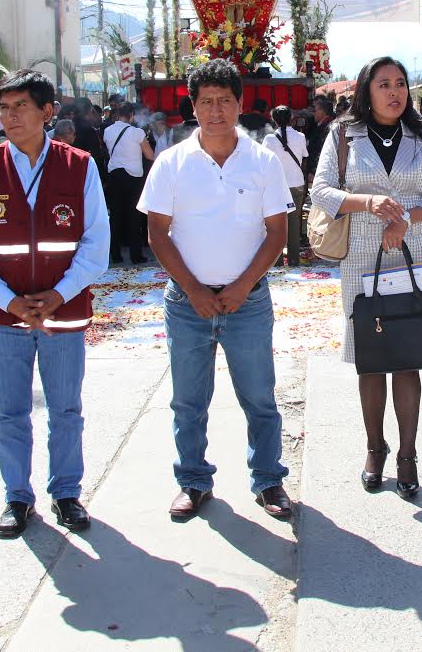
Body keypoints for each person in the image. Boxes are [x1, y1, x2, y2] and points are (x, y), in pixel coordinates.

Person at [0, 69, 108, 538]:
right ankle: (17, 496)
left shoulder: (78, 165)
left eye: (20, 106)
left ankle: (66, 492)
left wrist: (58, 294)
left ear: (47, 111)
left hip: (64, 310)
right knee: (9, 412)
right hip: (3, 317)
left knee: (65, 408)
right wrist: (9, 301)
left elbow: (96, 241)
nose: (9, 115)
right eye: (4, 107)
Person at [138, 59, 294, 521]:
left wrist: (245, 285)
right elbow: (157, 234)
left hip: (247, 302)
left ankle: (268, 480)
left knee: (260, 398)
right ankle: (192, 480)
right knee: (188, 400)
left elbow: (277, 233)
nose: (216, 110)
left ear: (240, 103)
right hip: (188, 305)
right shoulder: (171, 163)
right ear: (193, 106)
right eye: (206, 101)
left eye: (225, 100)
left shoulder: (264, 161)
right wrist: (193, 291)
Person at [311, 56, 422, 499]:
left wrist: (406, 218)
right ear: (366, 92)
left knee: (408, 351)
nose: (394, 92)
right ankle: (375, 448)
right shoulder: (342, 135)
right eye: (384, 84)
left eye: (401, 84)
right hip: (361, 252)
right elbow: (320, 190)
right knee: (370, 355)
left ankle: (408, 454)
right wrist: (366, 203)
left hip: (413, 249)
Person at [102, 103, 154, 265]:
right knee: (134, 217)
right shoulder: (137, 132)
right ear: (131, 115)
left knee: (115, 217)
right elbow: (150, 155)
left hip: (114, 176)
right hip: (133, 178)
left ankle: (115, 255)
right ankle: (136, 255)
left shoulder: (107, 131)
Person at [262, 105, 309, 267]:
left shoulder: (269, 139)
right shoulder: (300, 136)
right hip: (297, 184)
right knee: (294, 224)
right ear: (291, 118)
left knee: (275, 225)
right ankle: (294, 261)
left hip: (276, 187)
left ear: (274, 119)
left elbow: (263, 163)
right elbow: (304, 159)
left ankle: (278, 261)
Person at [307, 97, 334, 181]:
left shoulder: (327, 127)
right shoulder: (325, 125)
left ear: (322, 111)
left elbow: (321, 150)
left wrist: (314, 171)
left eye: (315, 111)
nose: (313, 114)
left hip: (320, 173)